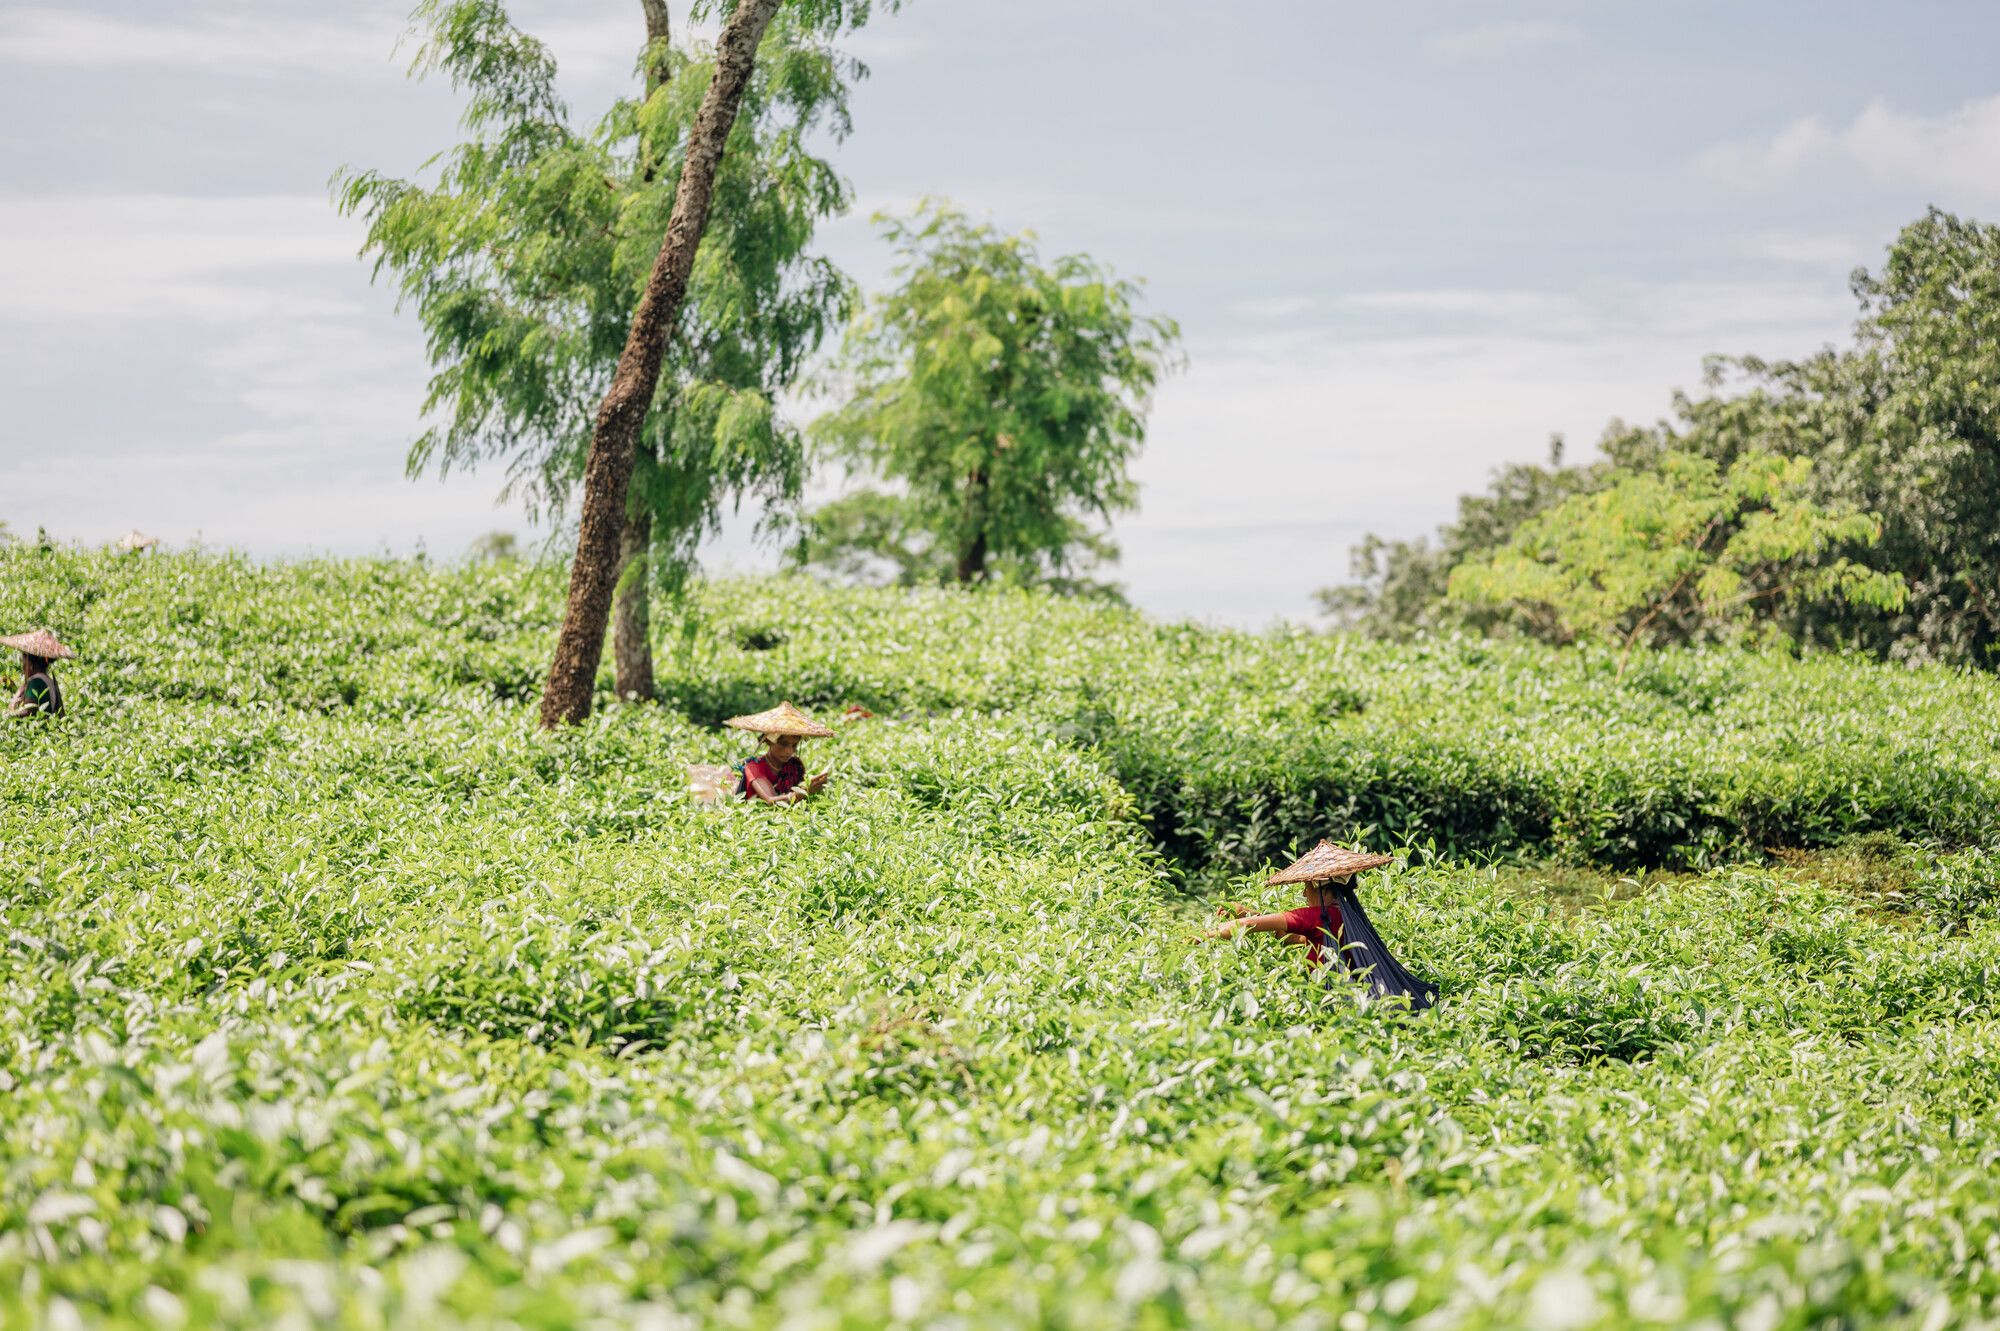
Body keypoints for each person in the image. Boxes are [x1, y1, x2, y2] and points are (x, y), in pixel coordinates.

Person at [1199, 841, 1438, 1010]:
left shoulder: (1317, 916)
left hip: (1335, 1003)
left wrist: (1207, 935)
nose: (1303, 892)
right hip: (1359, 1001)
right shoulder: (1345, 917)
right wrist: (1251, 913)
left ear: (1320, 886)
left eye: (1306, 885)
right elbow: (1290, 938)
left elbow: (1246, 926)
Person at [723, 701, 834, 806]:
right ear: (769, 741)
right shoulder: (754, 767)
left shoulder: (793, 766)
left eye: (794, 746)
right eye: (783, 744)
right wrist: (802, 793)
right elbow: (771, 800)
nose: (789, 751)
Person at [4, 628, 73, 718]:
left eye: (24, 662)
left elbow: (29, 711)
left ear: (31, 664)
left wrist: (7, 715)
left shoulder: (35, 682)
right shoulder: (47, 680)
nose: (23, 667)